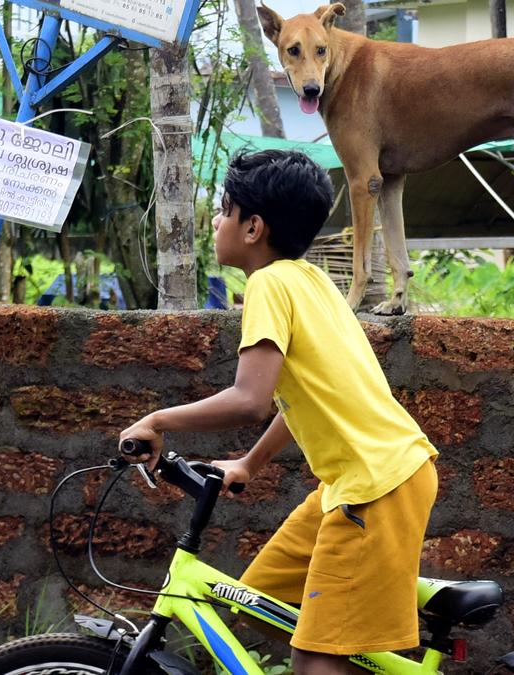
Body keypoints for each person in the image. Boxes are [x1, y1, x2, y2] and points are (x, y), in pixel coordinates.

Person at [119, 150, 439, 674]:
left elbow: (250, 399)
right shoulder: (309, 280)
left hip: (374, 487)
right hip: (360, 481)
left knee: (313, 659)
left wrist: (157, 420)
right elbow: (309, 394)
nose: (217, 222)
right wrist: (249, 464)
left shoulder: (269, 285)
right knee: (263, 604)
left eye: (225, 209)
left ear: (253, 228)